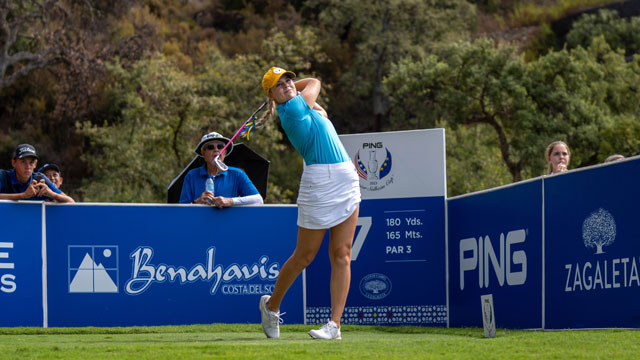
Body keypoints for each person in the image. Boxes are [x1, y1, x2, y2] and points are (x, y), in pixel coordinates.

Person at [257, 67, 361, 340]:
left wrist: (283, 88)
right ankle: (271, 306)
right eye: (279, 85)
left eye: (289, 80)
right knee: (304, 256)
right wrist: (289, 93)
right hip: (319, 182)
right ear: (272, 95)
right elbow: (315, 80)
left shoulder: (304, 105)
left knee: (342, 254)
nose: (288, 85)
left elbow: (310, 91)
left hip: (345, 178)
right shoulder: (291, 109)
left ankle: (334, 325)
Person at [179, 131, 263, 208]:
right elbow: (181, 210)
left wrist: (230, 201)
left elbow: (258, 200)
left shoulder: (237, 174)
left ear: (225, 152)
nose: (216, 150)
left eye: (220, 146)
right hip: (200, 224)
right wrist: (196, 203)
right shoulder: (191, 176)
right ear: (203, 153)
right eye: (210, 147)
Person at [0, 144, 75, 203]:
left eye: (31, 162)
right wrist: (23, 195)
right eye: (23, 162)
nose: (28, 167)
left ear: (35, 164)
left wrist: (51, 194)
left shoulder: (40, 179)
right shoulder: (3, 176)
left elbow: (71, 202)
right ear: (14, 163)